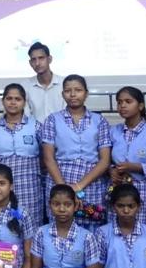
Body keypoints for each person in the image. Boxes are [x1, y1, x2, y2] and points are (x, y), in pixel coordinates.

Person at [42, 74, 111, 231]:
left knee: (91, 232)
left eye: (78, 90)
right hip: (60, 180)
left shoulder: (99, 121)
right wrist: (65, 190)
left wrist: (79, 186)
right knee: (60, 229)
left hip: (91, 183)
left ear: (86, 93)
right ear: (62, 94)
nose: (73, 94)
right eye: (68, 91)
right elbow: (48, 158)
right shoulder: (52, 120)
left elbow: (105, 160)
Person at [0, 83, 43, 230]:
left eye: (17, 99)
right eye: (9, 98)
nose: (13, 102)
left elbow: (46, 158)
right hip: (1, 192)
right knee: (3, 231)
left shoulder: (36, 126)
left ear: (24, 102)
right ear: (3, 101)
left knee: (30, 231)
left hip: (30, 191)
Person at [30, 184, 101, 268]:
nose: (62, 209)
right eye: (56, 204)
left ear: (75, 206)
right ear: (50, 205)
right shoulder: (41, 233)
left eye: (67, 204)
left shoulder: (87, 237)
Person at [109, 86, 146, 224]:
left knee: (144, 234)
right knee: (117, 232)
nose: (123, 105)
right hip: (117, 190)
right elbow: (103, 159)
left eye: (128, 101)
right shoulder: (113, 131)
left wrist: (135, 167)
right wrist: (111, 170)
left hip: (144, 191)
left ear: (140, 106)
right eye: (119, 102)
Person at [96, 184, 146, 268]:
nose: (126, 210)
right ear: (113, 207)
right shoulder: (103, 233)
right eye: (120, 206)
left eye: (131, 206)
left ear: (139, 207)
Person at [22, 42, 65, 123]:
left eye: (41, 58)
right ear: (30, 63)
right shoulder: (25, 86)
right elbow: (26, 117)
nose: (37, 63)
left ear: (49, 59)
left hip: (60, 132)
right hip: (34, 133)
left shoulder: (64, 84)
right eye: (34, 60)